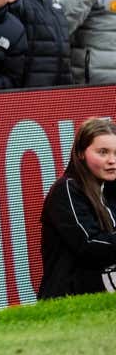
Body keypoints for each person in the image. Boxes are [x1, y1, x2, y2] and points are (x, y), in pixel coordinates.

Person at [39, 117, 116, 299]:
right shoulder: (66, 189)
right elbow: (88, 244)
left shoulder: (111, 187)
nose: (112, 160)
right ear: (81, 153)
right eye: (103, 152)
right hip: (70, 295)